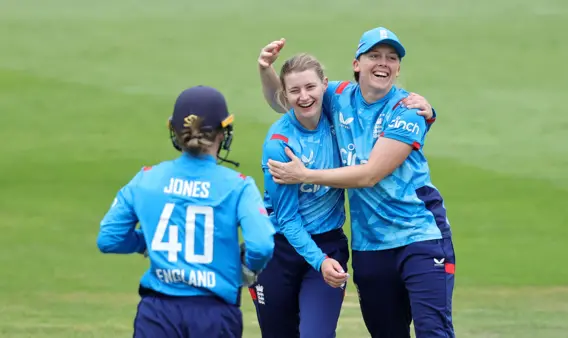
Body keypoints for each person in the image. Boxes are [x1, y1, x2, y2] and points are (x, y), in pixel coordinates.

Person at [261, 27, 456, 338]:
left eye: (391, 58)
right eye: (374, 56)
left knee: (433, 331)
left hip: (420, 235)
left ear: (398, 68)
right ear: (357, 64)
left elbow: (370, 174)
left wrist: (305, 175)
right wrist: (265, 69)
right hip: (370, 245)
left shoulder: (407, 110)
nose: (383, 63)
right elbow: (288, 101)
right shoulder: (337, 97)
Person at [96, 85, 276, 338]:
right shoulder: (238, 186)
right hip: (215, 316)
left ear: (173, 130)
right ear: (223, 133)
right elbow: (262, 245)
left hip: (156, 314)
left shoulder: (146, 179)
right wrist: (247, 268)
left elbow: (109, 238)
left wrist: (146, 242)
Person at [248, 53, 350, 338]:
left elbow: (372, 93)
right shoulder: (279, 144)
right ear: (285, 95)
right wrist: (319, 261)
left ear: (324, 85)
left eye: (310, 87)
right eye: (294, 90)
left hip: (328, 244)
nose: (304, 97)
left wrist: (423, 109)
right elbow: (288, 219)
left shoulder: (340, 121)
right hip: (277, 251)